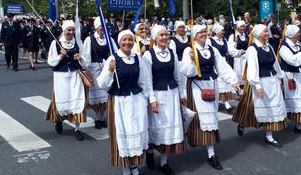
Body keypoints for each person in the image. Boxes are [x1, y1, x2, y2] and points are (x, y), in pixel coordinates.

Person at [180, 25, 239, 170]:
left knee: (210, 118)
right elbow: (187, 72)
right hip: (196, 87)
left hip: (211, 86)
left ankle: (195, 138)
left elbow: (222, 67)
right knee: (202, 119)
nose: (203, 34)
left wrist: (233, 81)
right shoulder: (189, 50)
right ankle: (211, 154)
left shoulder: (213, 49)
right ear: (194, 36)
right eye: (199, 32)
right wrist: (192, 61)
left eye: (204, 31)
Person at [97, 30, 152, 175]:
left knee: (135, 132)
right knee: (122, 134)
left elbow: (144, 81)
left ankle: (133, 164)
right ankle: (125, 167)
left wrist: (147, 100)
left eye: (130, 40)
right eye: (124, 40)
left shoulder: (138, 58)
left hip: (136, 100)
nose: (127, 42)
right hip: (119, 102)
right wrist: (109, 70)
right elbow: (102, 83)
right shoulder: (113, 59)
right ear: (119, 42)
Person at [234, 24, 287, 147]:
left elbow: (275, 64)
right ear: (258, 34)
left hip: (272, 80)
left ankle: (269, 136)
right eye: (265, 32)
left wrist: (280, 78)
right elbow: (252, 68)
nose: (267, 34)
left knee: (272, 107)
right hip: (259, 80)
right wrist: (257, 85)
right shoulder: (252, 49)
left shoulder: (270, 47)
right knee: (251, 107)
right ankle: (243, 122)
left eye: (267, 32)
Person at [143, 25, 185, 175]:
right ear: (155, 37)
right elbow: (147, 80)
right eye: (161, 35)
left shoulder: (172, 53)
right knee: (155, 127)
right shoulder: (148, 55)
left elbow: (177, 75)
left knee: (168, 129)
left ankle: (164, 162)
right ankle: (149, 150)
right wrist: (152, 99)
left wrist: (182, 93)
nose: (164, 38)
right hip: (157, 94)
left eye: (166, 35)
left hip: (172, 94)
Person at [46, 20, 87, 141]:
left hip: (75, 74)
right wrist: (60, 56)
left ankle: (77, 129)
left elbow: (86, 61)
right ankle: (59, 120)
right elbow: (50, 61)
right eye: (68, 30)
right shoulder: (56, 43)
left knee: (77, 100)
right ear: (64, 30)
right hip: (61, 76)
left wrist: (80, 58)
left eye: (72, 30)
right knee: (61, 99)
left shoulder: (78, 42)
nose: (71, 32)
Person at [82, 18, 117, 129]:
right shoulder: (89, 39)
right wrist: (86, 68)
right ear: (96, 27)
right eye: (100, 26)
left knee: (106, 95)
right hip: (94, 69)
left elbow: (115, 52)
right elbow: (86, 55)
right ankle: (98, 118)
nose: (102, 28)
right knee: (98, 97)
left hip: (106, 69)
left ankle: (102, 119)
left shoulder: (109, 39)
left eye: (104, 26)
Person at [279, 25, 301, 135]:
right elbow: (292, 61)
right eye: (298, 32)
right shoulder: (284, 47)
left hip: (300, 75)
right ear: (293, 34)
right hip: (290, 76)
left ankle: (299, 125)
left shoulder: (298, 44)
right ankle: (279, 120)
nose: (300, 34)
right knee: (292, 100)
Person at [207, 23, 242, 113]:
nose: (223, 32)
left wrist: (240, 52)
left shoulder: (224, 41)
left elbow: (231, 51)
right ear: (217, 31)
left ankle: (226, 104)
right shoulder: (210, 41)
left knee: (225, 84)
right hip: (214, 65)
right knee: (218, 85)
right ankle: (217, 103)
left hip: (224, 64)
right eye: (222, 30)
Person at [227, 21, 248, 86]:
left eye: (243, 26)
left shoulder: (247, 35)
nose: (242, 28)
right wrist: (235, 42)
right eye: (241, 27)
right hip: (237, 58)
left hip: (245, 57)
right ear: (238, 28)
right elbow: (230, 48)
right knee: (238, 71)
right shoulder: (233, 36)